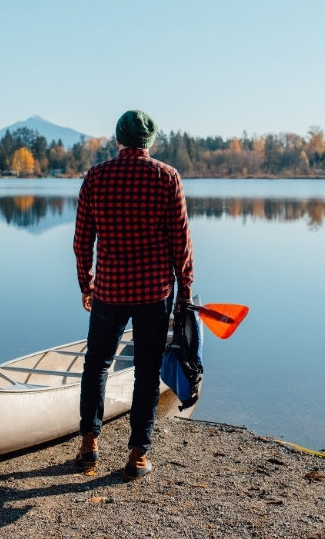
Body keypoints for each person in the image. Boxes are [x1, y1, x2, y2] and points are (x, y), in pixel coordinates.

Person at [73, 110, 194, 480]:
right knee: (146, 372)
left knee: (97, 364)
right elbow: (181, 244)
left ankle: (90, 444)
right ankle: (138, 454)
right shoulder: (167, 177)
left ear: (118, 139)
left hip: (109, 290)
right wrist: (184, 291)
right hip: (153, 293)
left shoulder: (96, 176)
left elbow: (82, 241)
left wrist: (86, 284)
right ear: (149, 142)